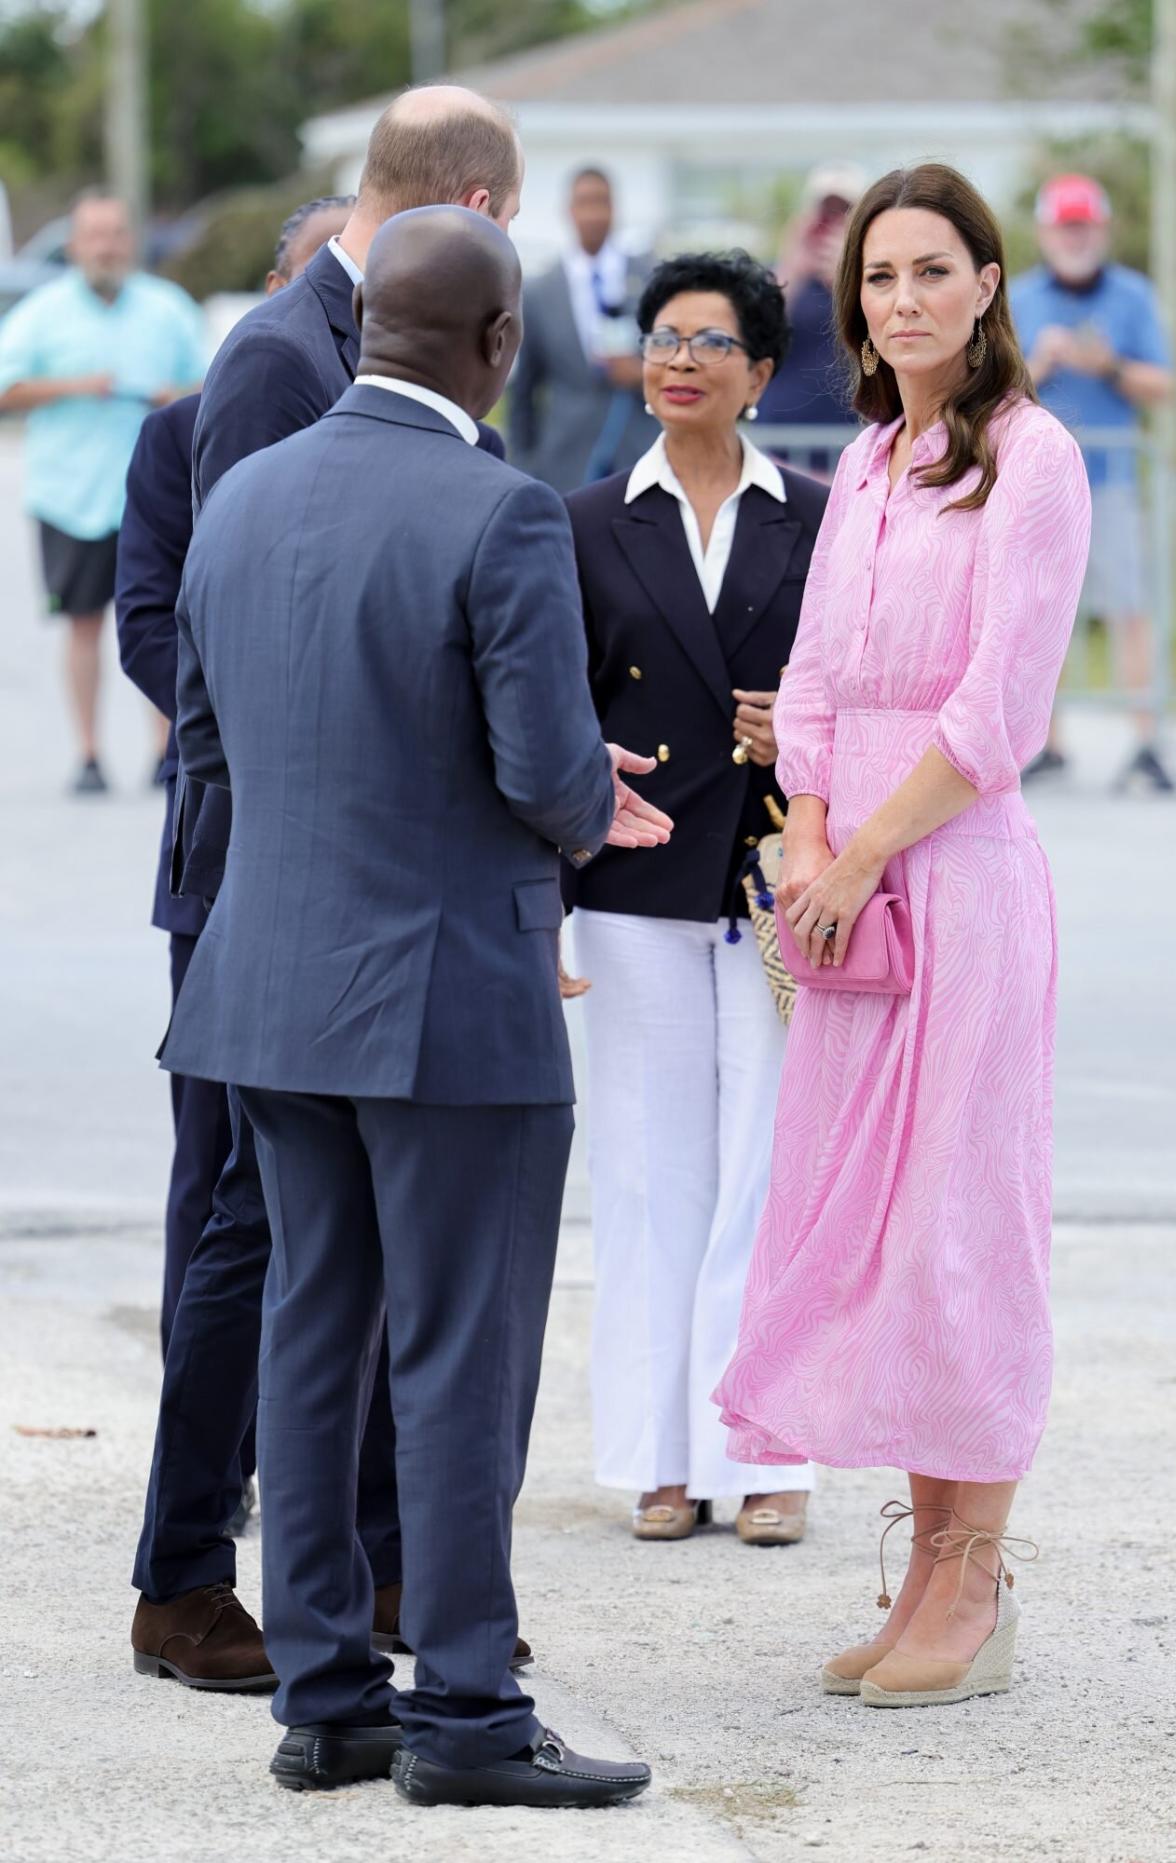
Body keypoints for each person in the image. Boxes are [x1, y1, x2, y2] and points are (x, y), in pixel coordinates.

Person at [163, 204, 667, 1808]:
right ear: (501, 343)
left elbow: (210, 741)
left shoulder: (238, 493)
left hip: (267, 984)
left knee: (314, 1333)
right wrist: (599, 797)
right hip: (451, 995)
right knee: (459, 1354)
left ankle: (324, 1700)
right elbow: (540, 772)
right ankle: (459, 1708)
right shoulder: (500, 509)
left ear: (365, 319)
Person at [129, 86, 525, 1692]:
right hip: (267, 887)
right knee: (249, 1236)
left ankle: (357, 1567)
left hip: (344, 885)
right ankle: (183, 1572)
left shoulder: (359, 336)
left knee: (316, 1242)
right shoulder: (286, 360)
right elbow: (224, 636)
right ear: (480, 203)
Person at [714, 163, 1090, 1709]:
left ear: (988, 282)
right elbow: (807, 672)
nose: (903, 300)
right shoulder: (870, 459)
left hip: (953, 877)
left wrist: (861, 847)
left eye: (932, 270)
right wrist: (806, 827)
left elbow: (998, 708)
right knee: (866, 1226)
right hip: (843, 889)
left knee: (958, 1224)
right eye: (878, 277)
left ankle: (978, 1574)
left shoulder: (1033, 456)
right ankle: (924, 1557)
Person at [563, 252, 827, 1545]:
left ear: (760, 372)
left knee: (772, 1170)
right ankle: (659, 1454)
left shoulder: (823, 516)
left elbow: (871, 690)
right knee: (646, 1167)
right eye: (662, 335)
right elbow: (548, 711)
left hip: (781, 880)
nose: (677, 357)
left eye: (707, 340)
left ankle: (766, 1450)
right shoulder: (584, 518)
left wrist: (810, 732)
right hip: (632, 881)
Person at [116, 195, 354, 1366]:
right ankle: (205, 1441)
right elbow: (149, 624)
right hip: (221, 851)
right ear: (279, 287)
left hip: (368, 870)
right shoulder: (177, 436)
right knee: (213, 1161)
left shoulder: (445, 450)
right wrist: (265, 732)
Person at [0, 189, 204, 792]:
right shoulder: (41, 313)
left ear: (131, 241)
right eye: (94, 235)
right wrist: (72, 386)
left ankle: (164, 748)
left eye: (115, 234)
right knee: (84, 625)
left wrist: (175, 395)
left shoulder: (168, 308)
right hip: (72, 497)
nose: (105, 246)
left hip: (156, 499)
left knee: (165, 622)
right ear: (74, 245)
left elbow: (212, 378)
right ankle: (89, 753)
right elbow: (6, 387)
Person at [1011, 173, 1175, 790]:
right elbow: (993, 388)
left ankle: (1146, 738)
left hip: (1110, 483)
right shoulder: (1018, 298)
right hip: (1035, 486)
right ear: (1046, 233)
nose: (1074, 237)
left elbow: (1165, 386)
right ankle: (1046, 744)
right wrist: (1042, 362)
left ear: (1101, 230)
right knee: (1035, 613)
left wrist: (1109, 364)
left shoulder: (1134, 295)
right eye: (1064, 226)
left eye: (1084, 226)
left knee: (1132, 608)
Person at [508, 166, 652, 491]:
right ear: (569, 211)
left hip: (639, 452)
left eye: (601, 202)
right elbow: (525, 390)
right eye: (585, 203)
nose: (594, 214)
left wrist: (642, 372)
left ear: (615, 208)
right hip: (566, 460)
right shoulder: (541, 291)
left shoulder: (648, 279)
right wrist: (521, 467)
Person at [761, 163, 864, 456]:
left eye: (843, 212)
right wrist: (793, 266)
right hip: (780, 437)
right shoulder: (780, 275)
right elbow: (757, 334)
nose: (831, 222)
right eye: (825, 212)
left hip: (848, 435)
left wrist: (845, 280)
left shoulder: (874, 280)